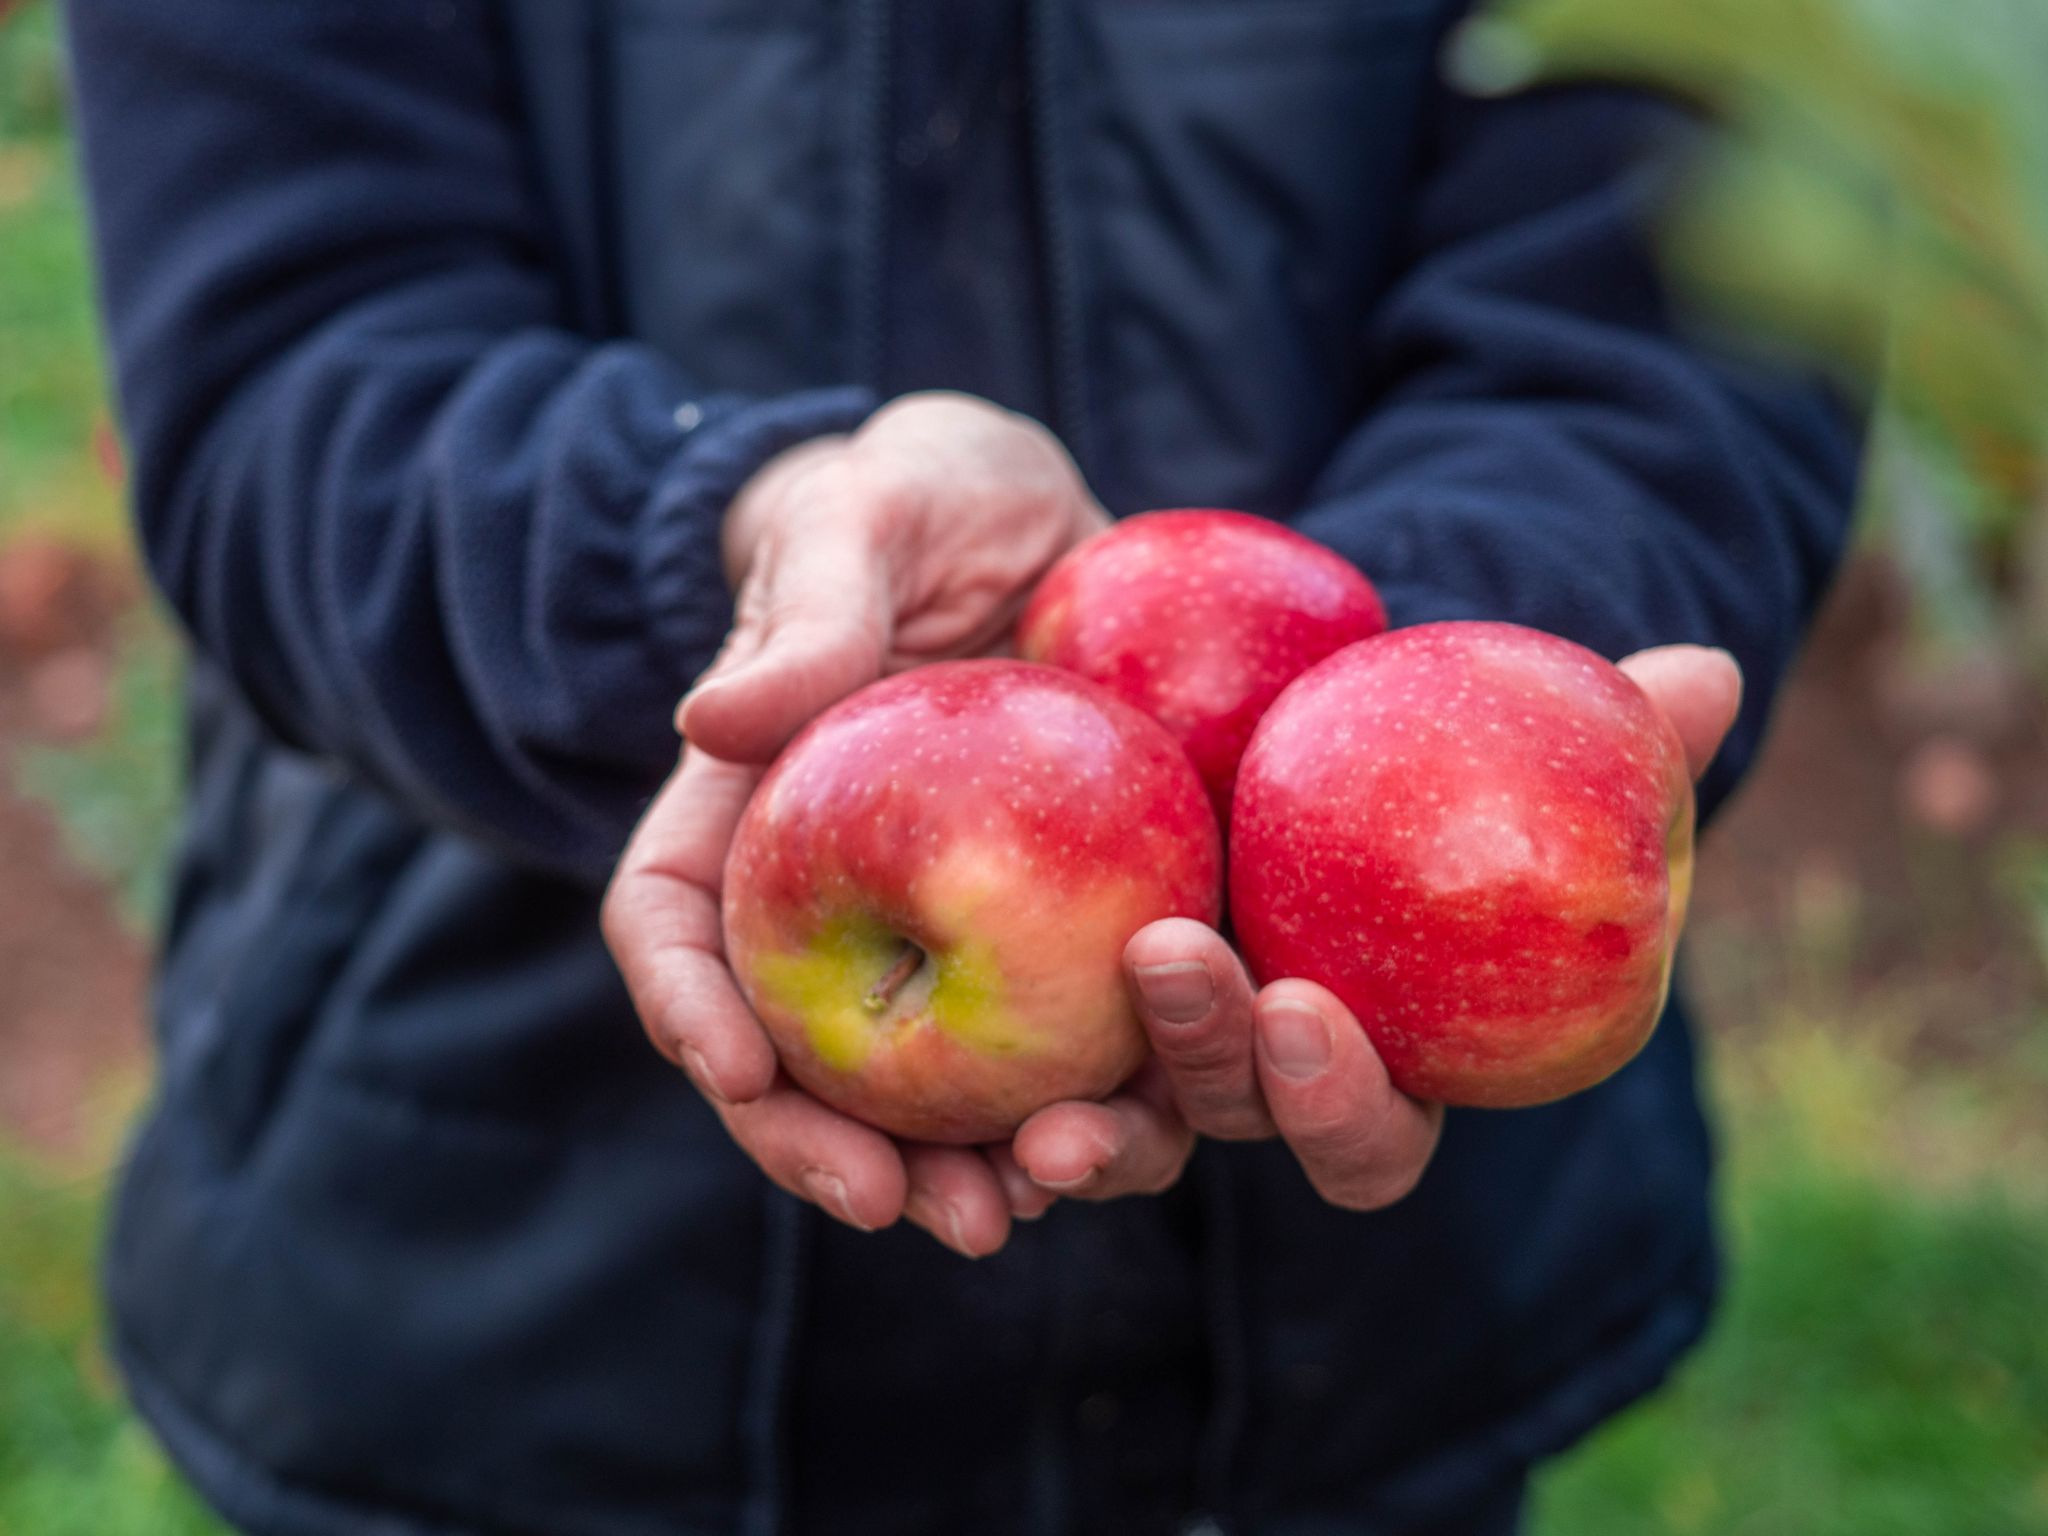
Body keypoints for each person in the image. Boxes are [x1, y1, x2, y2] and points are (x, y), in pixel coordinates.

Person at [64, 0, 1858, 1532]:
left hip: (1363, 1330)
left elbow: (1704, 250)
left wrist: (1439, 714)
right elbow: (292, 364)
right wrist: (718, 547)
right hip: (493, 1275)